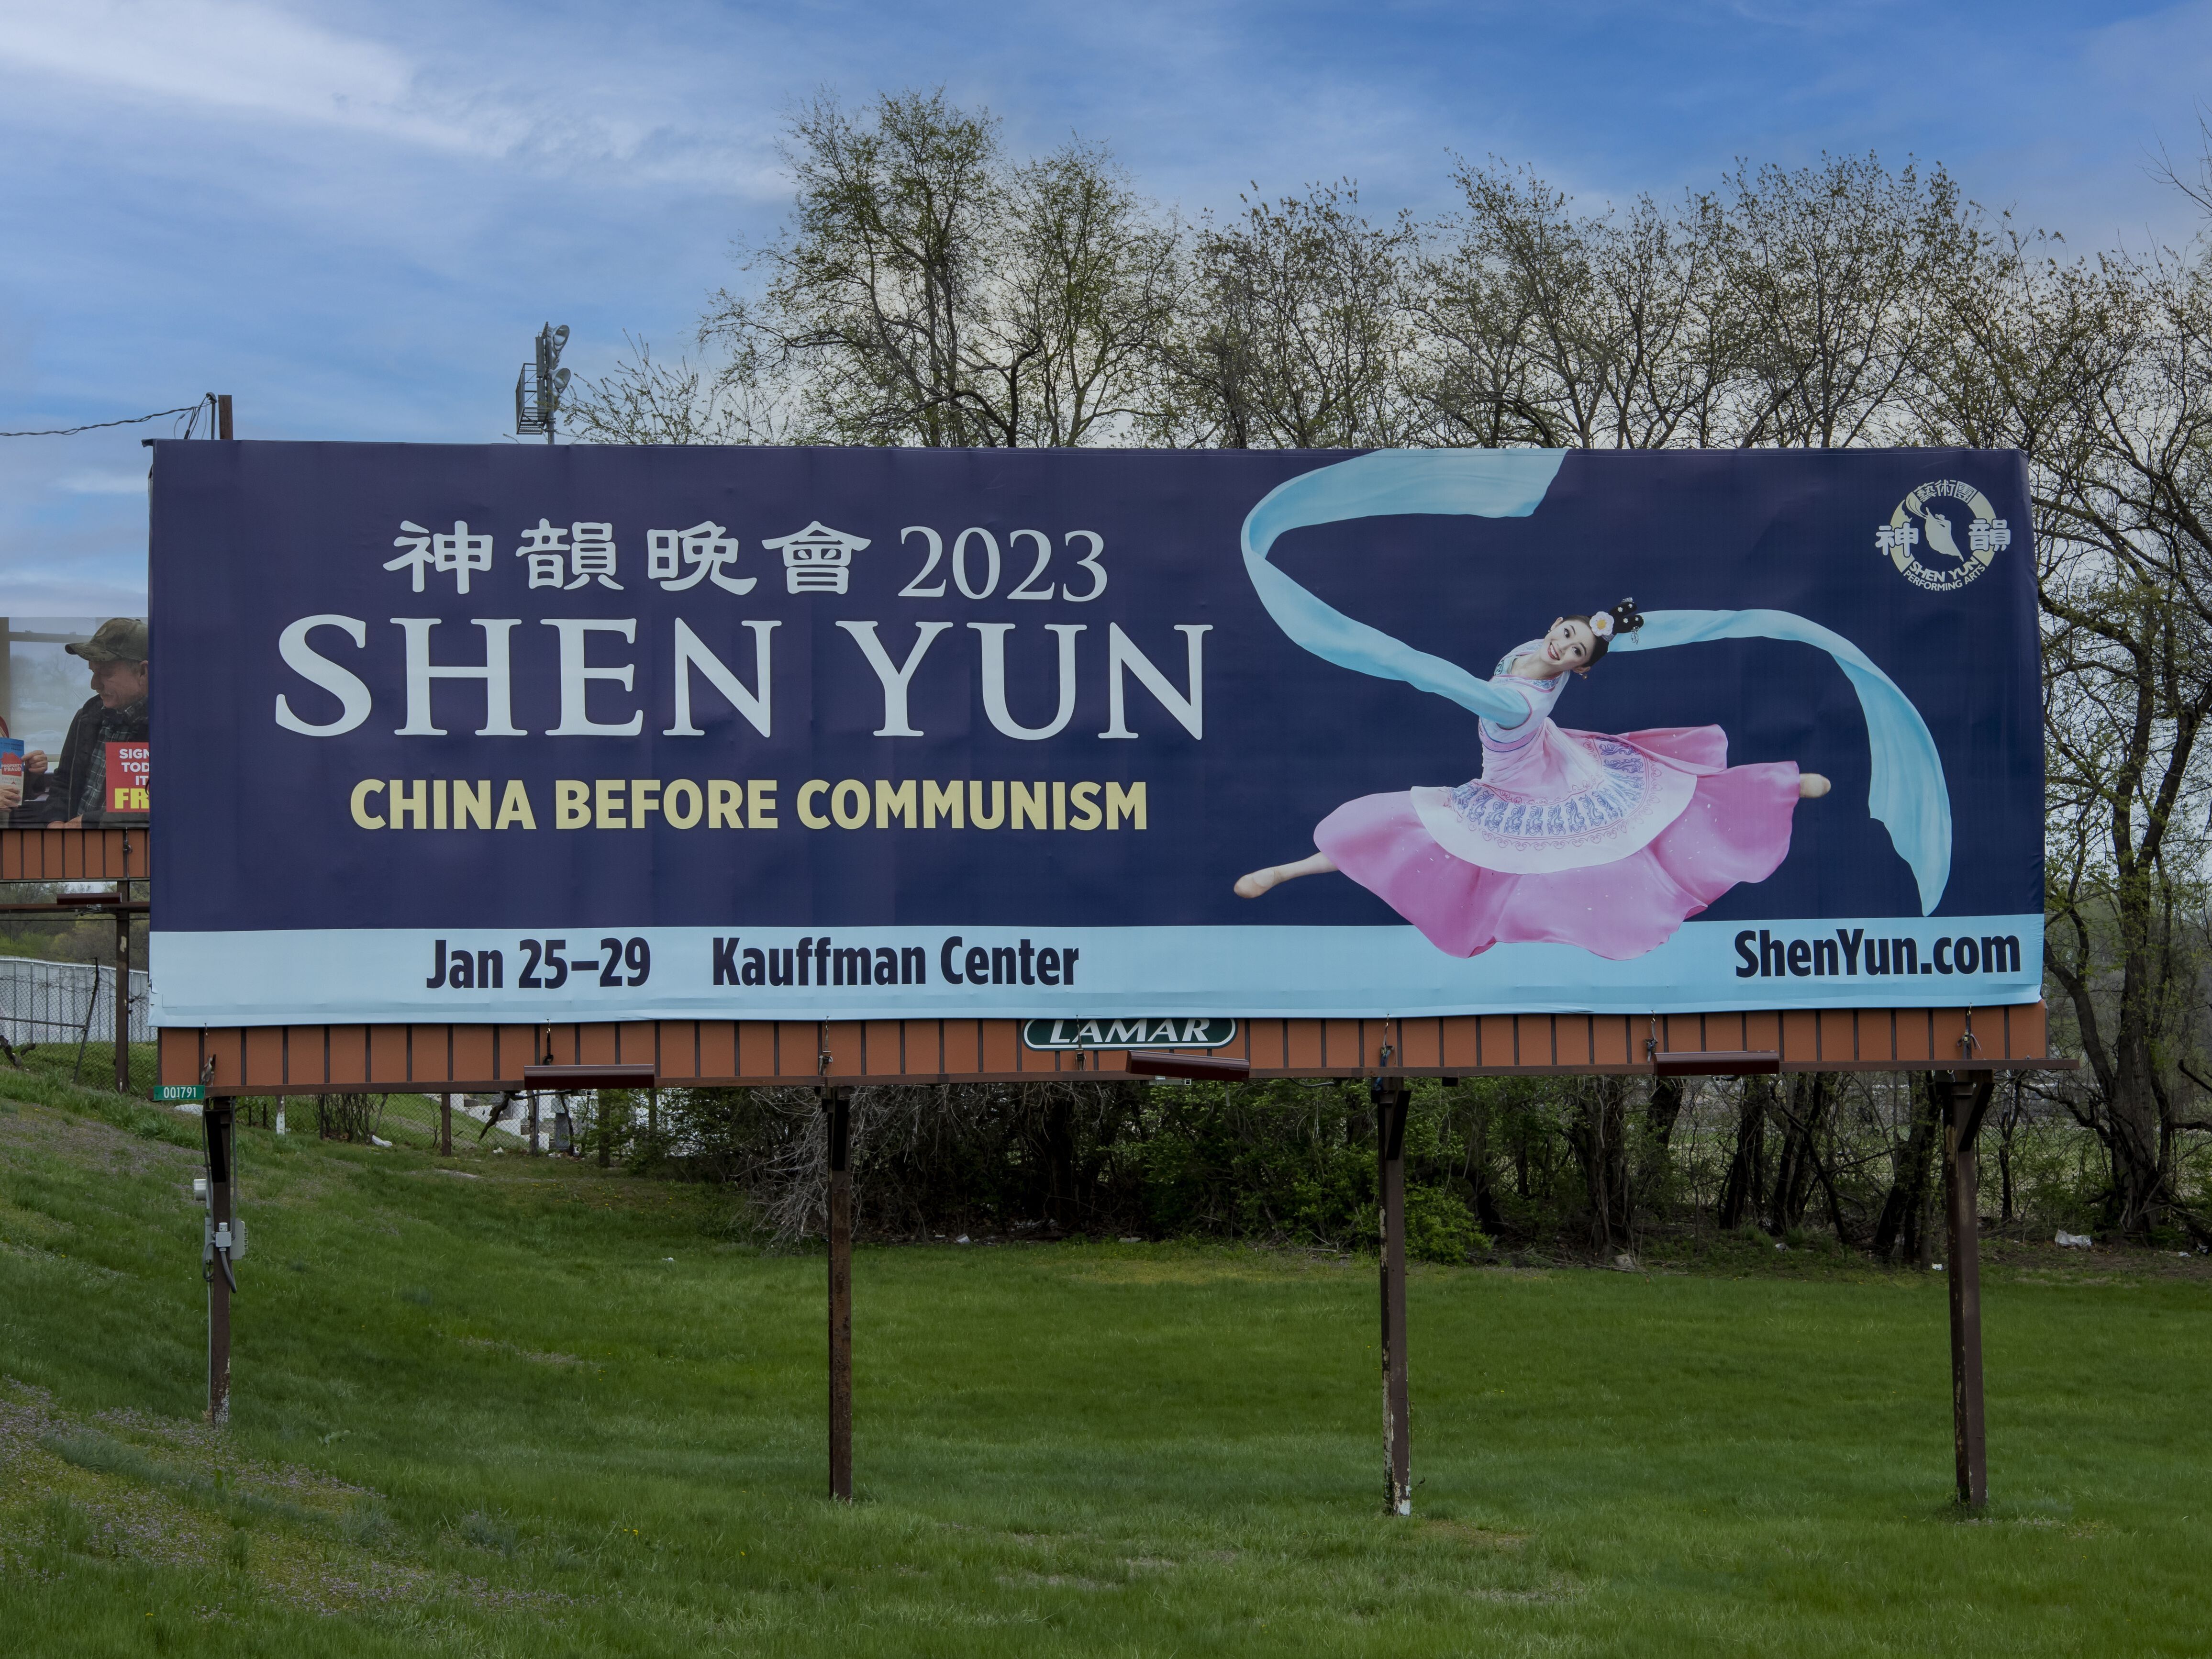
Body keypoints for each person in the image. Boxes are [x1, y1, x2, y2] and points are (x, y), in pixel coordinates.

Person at [1233, 598, 1830, 960]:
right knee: (1662, 784)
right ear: (1556, 626)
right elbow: (1584, 637)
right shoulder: (1541, 657)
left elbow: (1432, 676)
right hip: (1549, 755)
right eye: (1566, 634)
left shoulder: (1512, 703)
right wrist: (1607, 627)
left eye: (1575, 652)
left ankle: (1781, 787)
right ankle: (1285, 870)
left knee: (1385, 822)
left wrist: (1365, 648)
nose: (1564, 646)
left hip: (1525, 784)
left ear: (1581, 673)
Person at [26, 617, 147, 827]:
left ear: (143, 672)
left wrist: (92, 823)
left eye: (106, 674)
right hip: (76, 848)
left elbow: (177, 806)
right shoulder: (88, 716)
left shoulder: (172, 729)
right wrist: (55, 820)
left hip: (134, 853)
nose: (94, 685)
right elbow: (64, 780)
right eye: (93, 672)